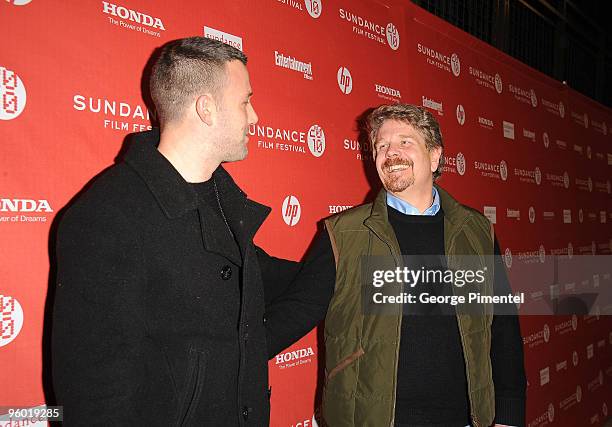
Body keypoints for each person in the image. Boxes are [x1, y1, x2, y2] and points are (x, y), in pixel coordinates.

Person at [52, 37, 321, 426]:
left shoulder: (222, 204)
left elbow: (261, 308)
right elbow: (94, 397)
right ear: (206, 109)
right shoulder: (107, 216)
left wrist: (348, 243)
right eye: (245, 101)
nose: (255, 117)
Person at [265, 104, 526, 427]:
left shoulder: (475, 231)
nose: (391, 152)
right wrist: (225, 351)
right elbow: (296, 311)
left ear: (434, 157)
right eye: (381, 145)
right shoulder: (345, 234)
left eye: (405, 142)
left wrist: (509, 414)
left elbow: (502, 328)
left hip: (463, 419)